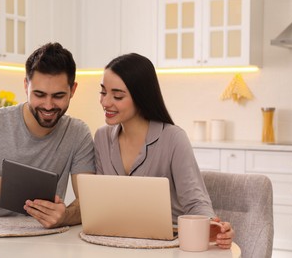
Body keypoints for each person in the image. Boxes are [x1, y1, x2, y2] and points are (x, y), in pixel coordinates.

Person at [0, 42, 95, 228]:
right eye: (39, 94)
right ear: (25, 86)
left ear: (73, 90)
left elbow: (89, 202)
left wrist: (64, 217)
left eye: (58, 96)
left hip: (40, 238)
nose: (48, 105)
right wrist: (5, 184)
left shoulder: (78, 134)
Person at [94, 53, 234, 248]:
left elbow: (195, 201)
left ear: (141, 97)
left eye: (117, 96)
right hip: (118, 242)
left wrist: (212, 227)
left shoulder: (173, 138)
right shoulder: (101, 137)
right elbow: (100, 202)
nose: (105, 102)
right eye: (103, 92)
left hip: (169, 245)